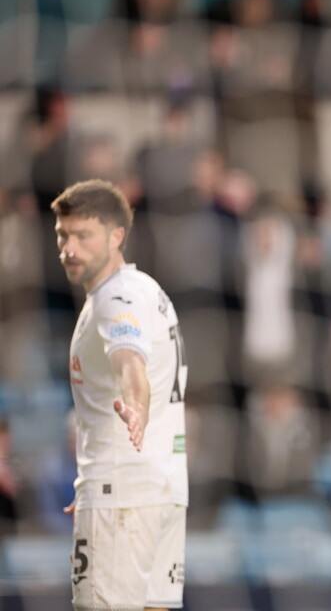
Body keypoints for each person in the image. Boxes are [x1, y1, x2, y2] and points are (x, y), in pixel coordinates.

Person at [52, 179, 188, 611]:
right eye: (62, 236)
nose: (69, 248)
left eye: (83, 235)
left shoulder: (116, 298)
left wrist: (136, 409)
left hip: (121, 496)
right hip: (162, 488)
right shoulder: (149, 290)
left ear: (116, 236)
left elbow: (130, 362)